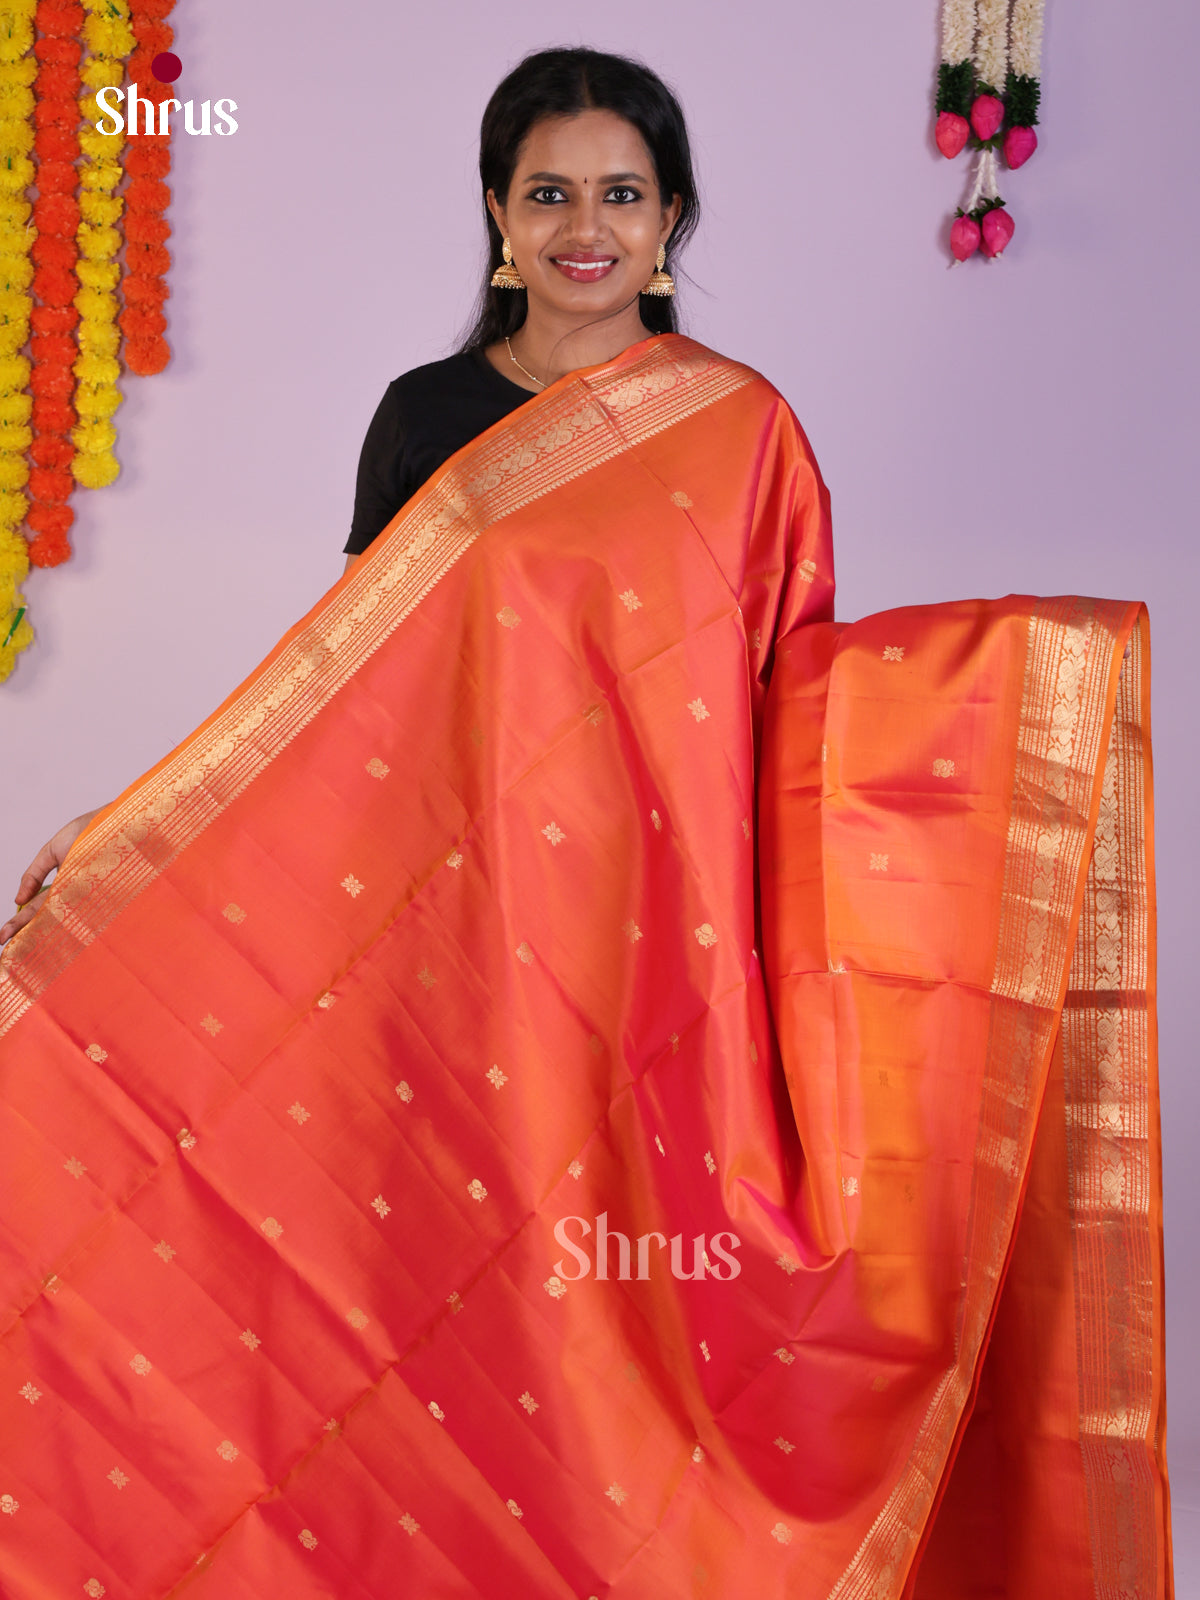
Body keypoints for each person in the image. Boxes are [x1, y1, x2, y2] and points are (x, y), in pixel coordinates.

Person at [0, 47, 1171, 1600]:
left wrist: (1017, 686)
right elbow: (338, 689)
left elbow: (788, 691)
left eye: (622, 193)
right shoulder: (428, 418)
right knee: (402, 1278)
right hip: (441, 932)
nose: (585, 227)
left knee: (608, 1307)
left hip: (650, 959)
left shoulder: (740, 431)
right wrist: (135, 826)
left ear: (674, 217)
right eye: (550, 191)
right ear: (496, 209)